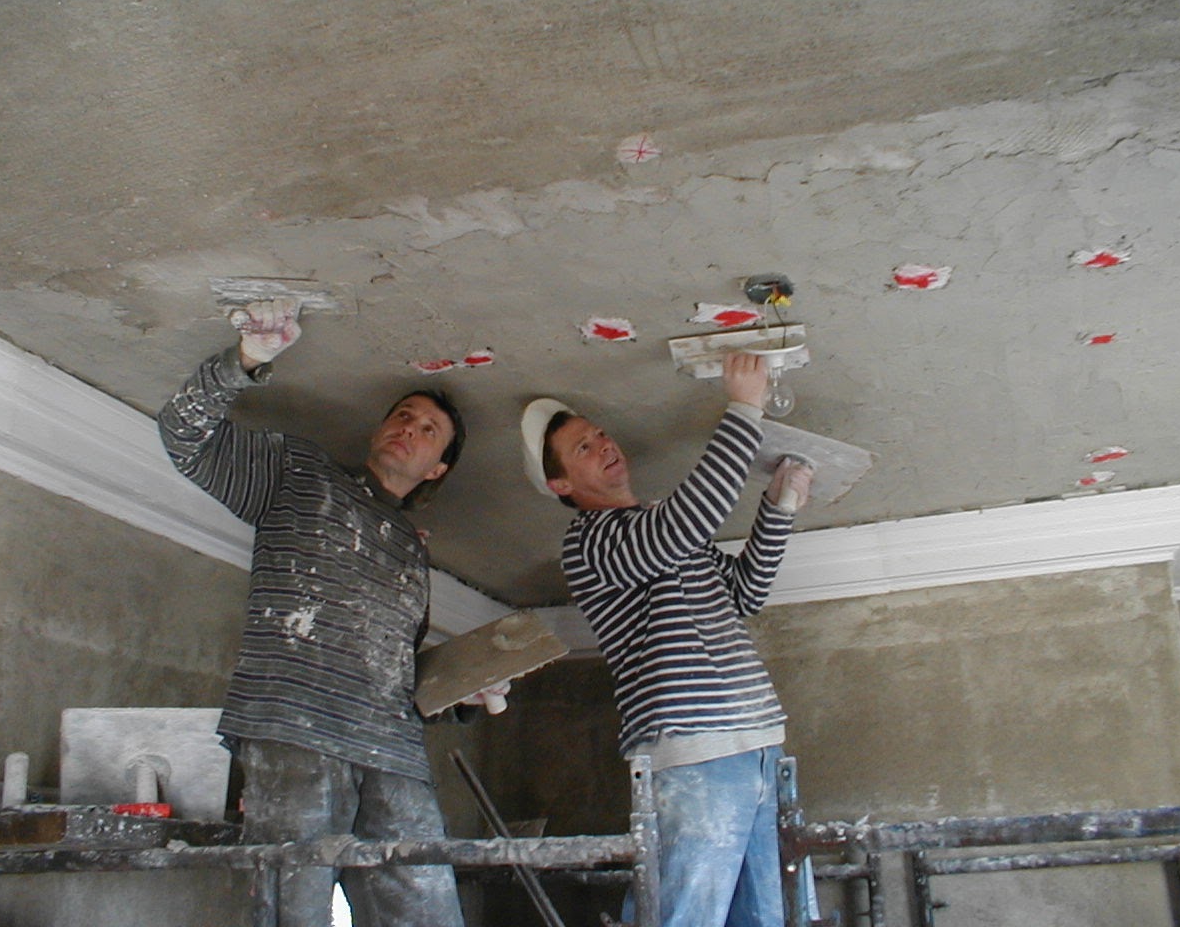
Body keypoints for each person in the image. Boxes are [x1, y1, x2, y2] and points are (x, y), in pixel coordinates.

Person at [159, 298, 479, 927]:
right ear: (377, 429)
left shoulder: (415, 555)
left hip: (393, 749)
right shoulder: (297, 473)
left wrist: (472, 690)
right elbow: (184, 438)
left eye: (428, 430)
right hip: (296, 727)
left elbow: (401, 674)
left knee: (427, 911)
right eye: (403, 415)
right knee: (293, 908)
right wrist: (248, 359)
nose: (409, 427)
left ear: (436, 468)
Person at [520, 351, 820, 927]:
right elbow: (687, 521)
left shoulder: (665, 531)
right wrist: (743, 409)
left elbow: (742, 595)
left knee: (780, 918)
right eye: (584, 447)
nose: (605, 445)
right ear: (561, 483)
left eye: (601, 435)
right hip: (693, 753)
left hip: (761, 745)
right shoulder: (592, 543)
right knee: (682, 917)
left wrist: (779, 506)